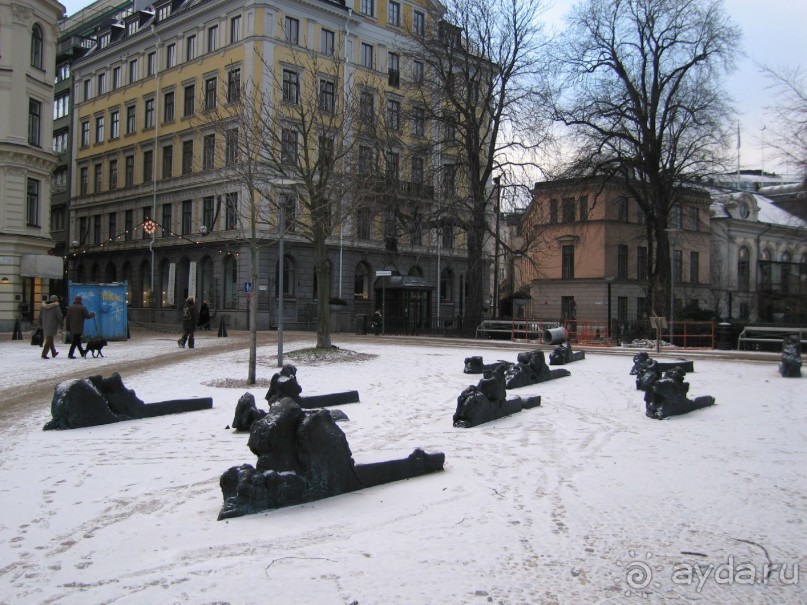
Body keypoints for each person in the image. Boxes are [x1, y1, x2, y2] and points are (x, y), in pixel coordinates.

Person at [39, 295, 63, 359]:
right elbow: (60, 316)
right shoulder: (56, 306)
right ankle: (44, 354)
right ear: (56, 300)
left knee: (50, 337)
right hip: (53, 324)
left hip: (45, 324)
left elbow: (40, 316)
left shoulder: (43, 306)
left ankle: (53, 352)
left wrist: (40, 323)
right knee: (49, 339)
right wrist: (61, 324)